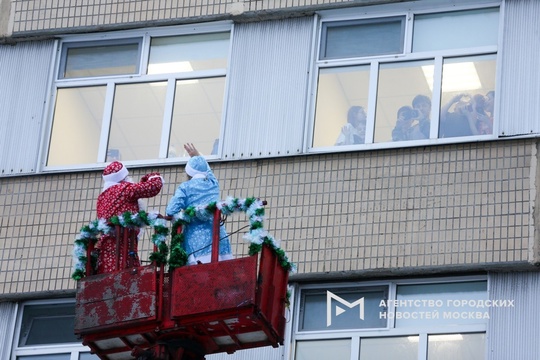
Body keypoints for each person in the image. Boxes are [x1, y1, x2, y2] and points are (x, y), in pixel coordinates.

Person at [166, 143, 233, 265]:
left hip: (196, 241)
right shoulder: (213, 183)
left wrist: (184, 216)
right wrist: (197, 156)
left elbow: (171, 211)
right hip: (218, 237)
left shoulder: (185, 187)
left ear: (189, 173)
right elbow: (207, 171)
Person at [96, 161, 164, 273]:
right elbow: (153, 187)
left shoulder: (102, 196)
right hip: (124, 247)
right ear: (122, 177)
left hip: (106, 247)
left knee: (110, 275)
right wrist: (152, 176)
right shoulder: (124, 190)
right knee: (128, 275)